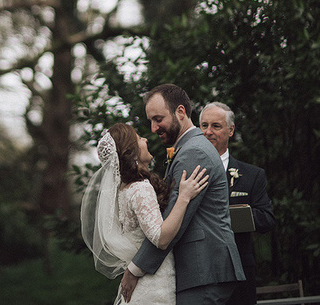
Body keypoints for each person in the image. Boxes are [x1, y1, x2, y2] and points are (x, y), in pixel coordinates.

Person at [121, 84, 245, 305]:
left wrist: (135, 269)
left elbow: (175, 220)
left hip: (205, 269)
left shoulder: (194, 152)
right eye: (150, 121)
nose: (153, 128)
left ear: (180, 112)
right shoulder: (189, 148)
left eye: (158, 119)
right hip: (201, 270)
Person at [81, 122, 209, 305]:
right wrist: (184, 197)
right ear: (131, 150)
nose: (146, 139)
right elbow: (161, 238)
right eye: (139, 137)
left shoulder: (125, 189)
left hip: (148, 281)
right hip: (154, 285)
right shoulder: (140, 188)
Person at [199, 102, 275, 305]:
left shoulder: (251, 175)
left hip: (238, 274)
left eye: (216, 126)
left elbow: (267, 220)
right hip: (199, 273)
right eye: (204, 126)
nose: (208, 132)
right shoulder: (187, 172)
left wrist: (236, 216)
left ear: (230, 130)